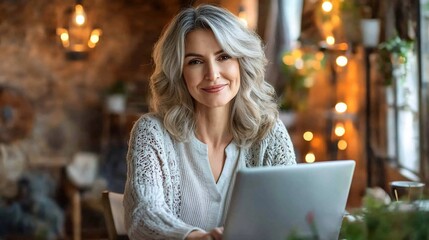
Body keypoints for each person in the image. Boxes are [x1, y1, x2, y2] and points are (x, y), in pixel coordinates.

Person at [123, 4, 296, 240]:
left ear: (241, 62)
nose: (212, 74)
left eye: (223, 56)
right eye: (195, 61)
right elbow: (143, 214)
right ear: (179, 71)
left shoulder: (269, 133)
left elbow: (291, 213)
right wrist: (194, 237)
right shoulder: (153, 132)